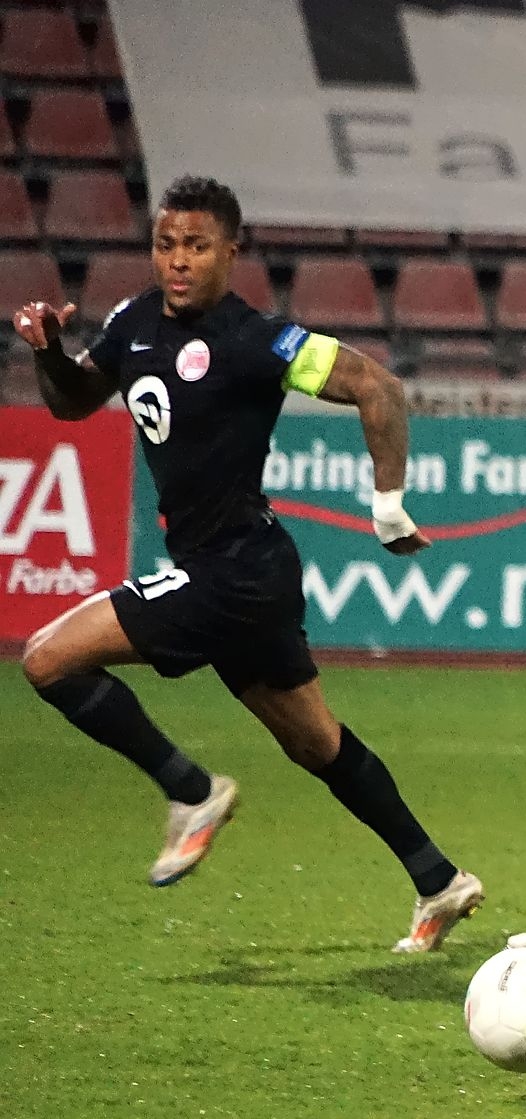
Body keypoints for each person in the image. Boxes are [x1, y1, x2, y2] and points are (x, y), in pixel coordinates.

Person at [12, 174, 483, 953]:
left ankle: (191, 790)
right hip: (244, 569)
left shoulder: (255, 339)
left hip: (233, 570)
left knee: (47, 659)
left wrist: (389, 504)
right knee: (316, 745)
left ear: (231, 252)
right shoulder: (132, 321)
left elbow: (377, 385)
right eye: (166, 243)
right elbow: (73, 402)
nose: (178, 260)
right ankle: (438, 878)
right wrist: (49, 354)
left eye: (197, 246)